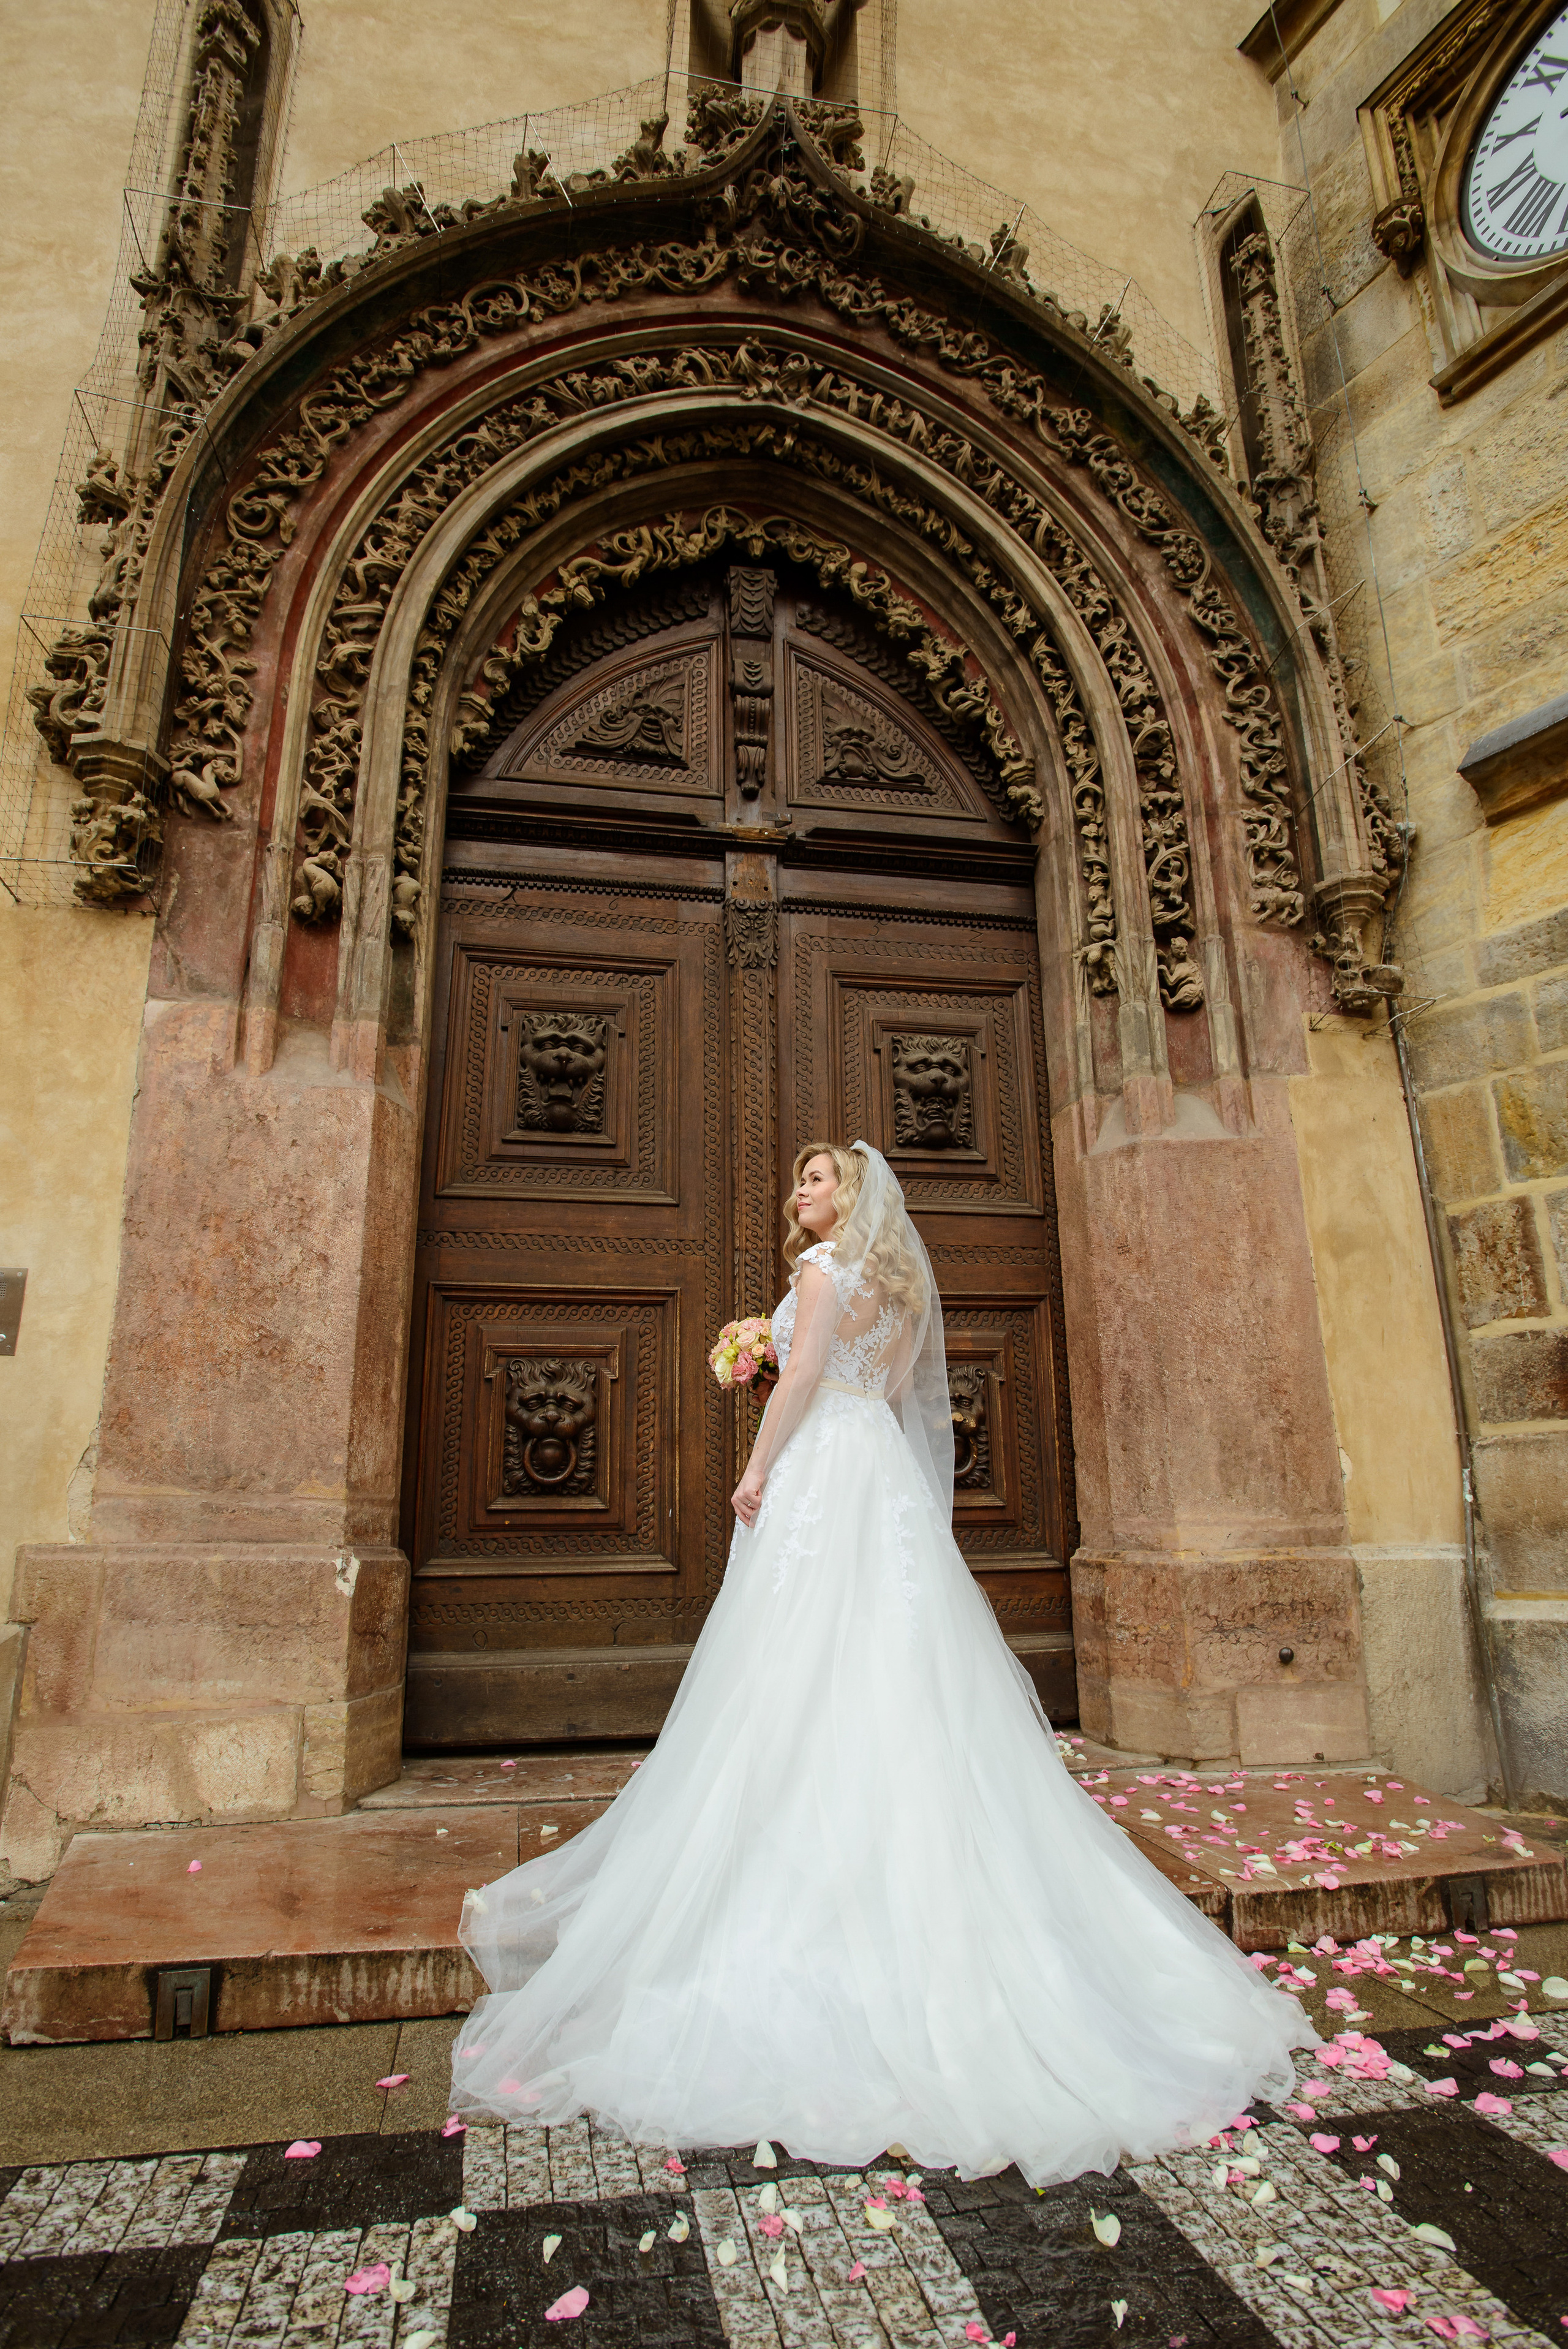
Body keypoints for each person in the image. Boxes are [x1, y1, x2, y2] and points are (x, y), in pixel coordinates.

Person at [450, 1140, 1315, 2185]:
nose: (799, 1190)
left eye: (816, 1179)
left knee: (796, 1660)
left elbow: (808, 1376)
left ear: (849, 1197)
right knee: (895, 1661)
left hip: (823, 1470)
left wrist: (756, 1466)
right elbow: (894, 1388)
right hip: (880, 1476)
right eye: (801, 1178)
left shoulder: (821, 1272)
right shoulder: (899, 1288)